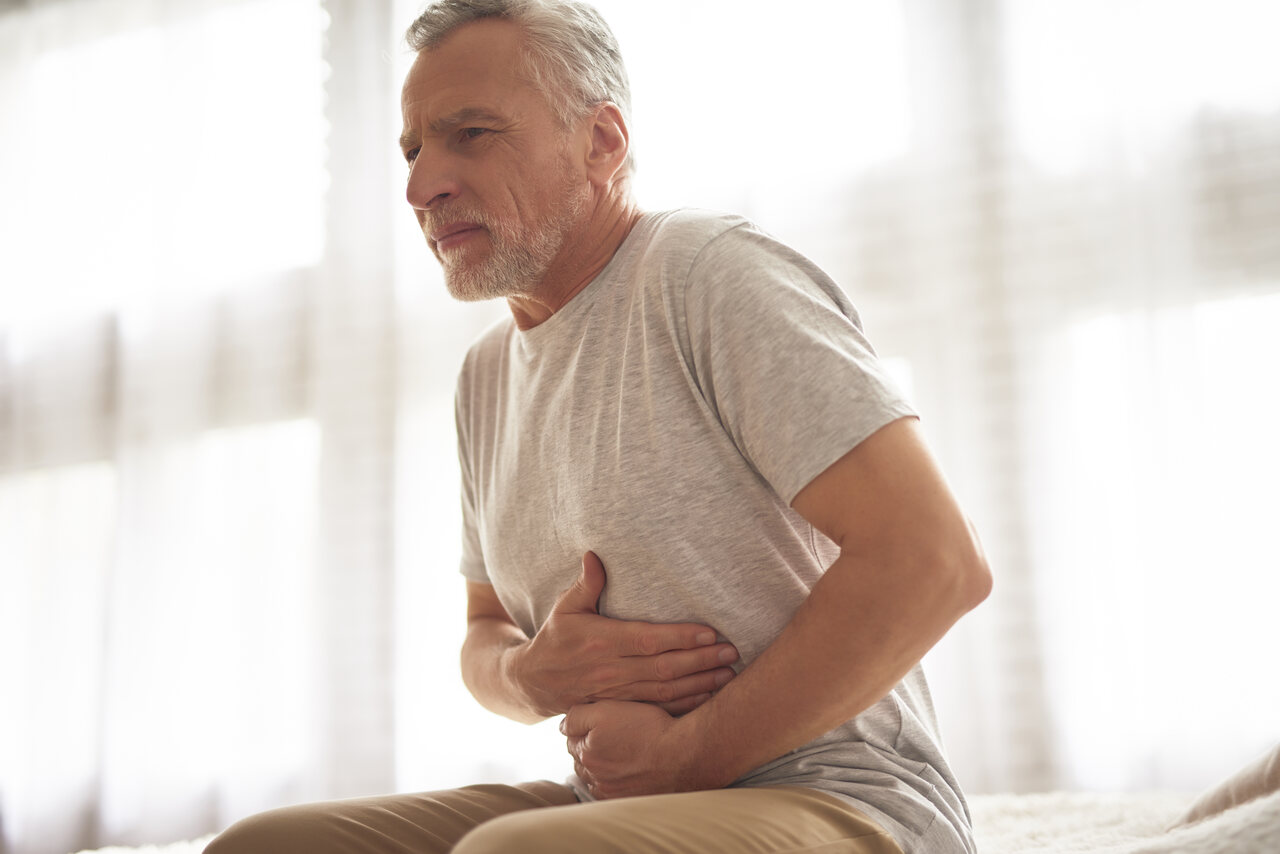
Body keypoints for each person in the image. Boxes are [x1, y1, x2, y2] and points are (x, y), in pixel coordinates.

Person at [205, 0, 993, 852]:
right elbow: (485, 634)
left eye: (471, 133)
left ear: (602, 143)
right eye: (412, 148)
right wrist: (527, 674)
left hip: (848, 799)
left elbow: (936, 563)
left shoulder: (709, 275)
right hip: (622, 803)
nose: (420, 185)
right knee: (262, 847)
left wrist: (690, 754)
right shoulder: (485, 378)